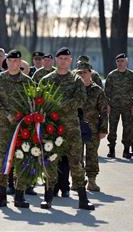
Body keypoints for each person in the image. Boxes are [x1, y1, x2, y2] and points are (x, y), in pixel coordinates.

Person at [39, 47, 94, 210]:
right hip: (52, 128)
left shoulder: (76, 80)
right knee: (50, 161)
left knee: (76, 162)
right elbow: (39, 100)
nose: (63, 61)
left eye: (66, 59)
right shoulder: (47, 79)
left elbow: (81, 100)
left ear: (70, 61)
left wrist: (59, 105)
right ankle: (48, 197)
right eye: (60, 58)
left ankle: (83, 198)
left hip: (71, 129)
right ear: (56, 60)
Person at [0, 49, 34, 208]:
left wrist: (28, 118)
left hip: (23, 129)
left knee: (22, 161)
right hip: (3, 127)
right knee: (2, 161)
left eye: (16, 61)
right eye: (10, 60)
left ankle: (19, 196)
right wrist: (5, 114)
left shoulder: (27, 81)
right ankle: (1, 196)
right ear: (6, 62)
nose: (13, 63)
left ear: (20, 62)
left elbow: (33, 103)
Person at [76, 61, 108, 192]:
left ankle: (92, 181)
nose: (82, 74)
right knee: (76, 155)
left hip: (93, 128)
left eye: (85, 72)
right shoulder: (74, 89)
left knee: (91, 155)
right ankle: (78, 182)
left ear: (91, 73)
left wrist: (103, 129)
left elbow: (104, 111)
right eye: (80, 72)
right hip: (76, 127)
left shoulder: (97, 90)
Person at [105, 53, 133, 159]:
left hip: (127, 107)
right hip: (114, 106)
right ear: (116, 63)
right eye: (118, 61)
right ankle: (112, 149)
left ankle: (126, 150)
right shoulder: (111, 75)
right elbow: (106, 92)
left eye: (122, 61)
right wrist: (108, 105)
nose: (120, 63)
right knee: (113, 128)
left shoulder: (132, 76)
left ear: (126, 62)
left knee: (127, 128)